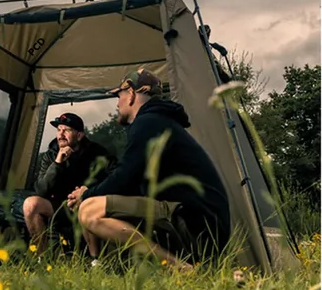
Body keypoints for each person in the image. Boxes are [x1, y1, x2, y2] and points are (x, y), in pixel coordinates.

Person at [67, 69, 231, 270]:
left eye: (119, 96)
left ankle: (180, 269)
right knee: (98, 204)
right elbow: (131, 180)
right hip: (202, 225)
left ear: (131, 94)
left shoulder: (148, 122)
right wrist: (89, 192)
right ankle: (116, 267)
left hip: (195, 225)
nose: (117, 104)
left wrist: (86, 195)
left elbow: (125, 176)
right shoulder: (158, 122)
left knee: (89, 210)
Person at [23, 112, 117, 254]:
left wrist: (88, 190)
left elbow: (114, 179)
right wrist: (57, 163)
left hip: (86, 203)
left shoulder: (97, 153)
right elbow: (41, 190)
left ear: (79, 135)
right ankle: (42, 258)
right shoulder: (51, 155)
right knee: (31, 204)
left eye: (66, 130)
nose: (61, 135)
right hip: (60, 206)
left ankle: (96, 260)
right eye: (58, 130)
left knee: (85, 205)